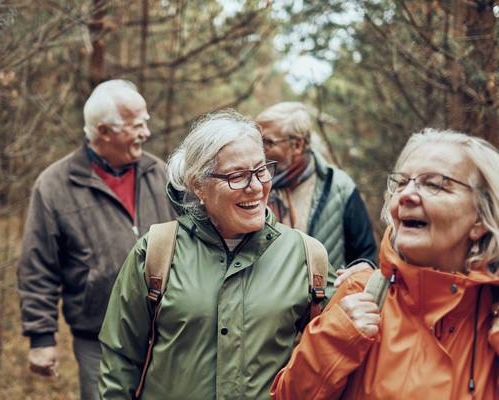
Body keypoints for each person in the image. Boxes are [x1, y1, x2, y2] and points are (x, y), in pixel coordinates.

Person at [97, 110, 339, 399]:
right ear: (199, 185)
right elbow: (120, 361)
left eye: (261, 170)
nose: (255, 187)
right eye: (237, 176)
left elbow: (338, 349)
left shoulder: (307, 256)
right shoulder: (157, 252)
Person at [271, 129, 499, 399]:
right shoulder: (359, 294)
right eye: (401, 183)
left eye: (434, 184)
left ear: (479, 218)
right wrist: (333, 342)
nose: (406, 195)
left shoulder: (492, 310)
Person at [17, 79, 176, 400]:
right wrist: (41, 337)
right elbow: (38, 265)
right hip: (98, 336)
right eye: (136, 125)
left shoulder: (160, 173)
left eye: (146, 121)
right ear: (104, 131)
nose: (146, 132)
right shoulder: (55, 185)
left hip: (169, 331)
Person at [256, 102, 377, 268]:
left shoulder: (340, 187)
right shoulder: (253, 184)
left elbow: (365, 257)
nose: (259, 149)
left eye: (268, 142)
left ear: (297, 145)